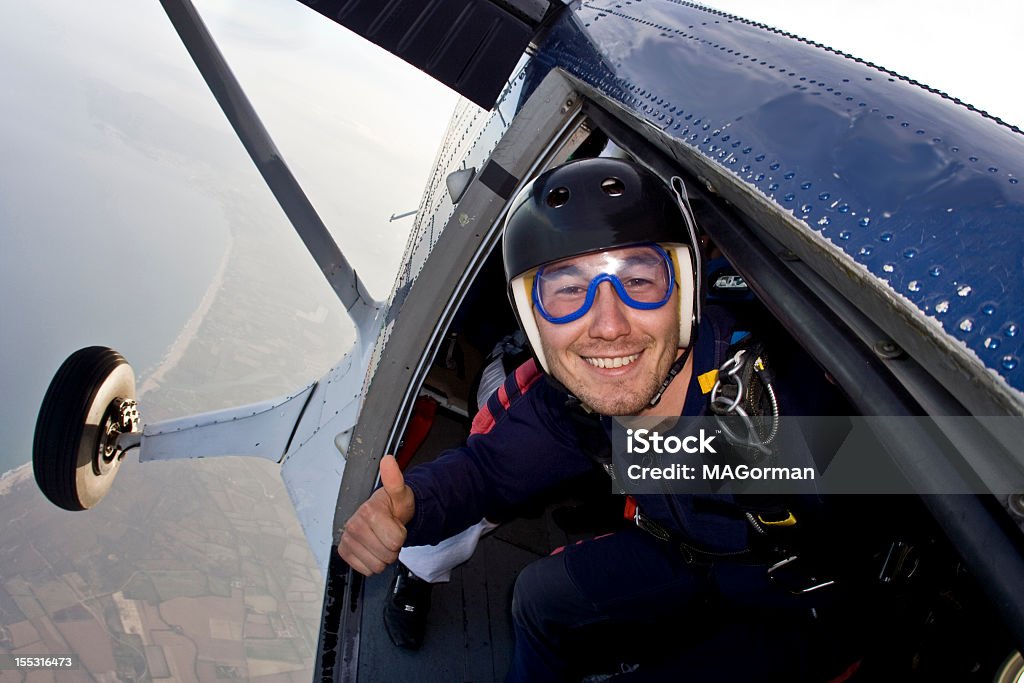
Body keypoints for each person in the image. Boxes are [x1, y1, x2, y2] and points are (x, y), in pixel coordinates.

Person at [338, 157, 862, 681]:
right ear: (531, 321)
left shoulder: (781, 406)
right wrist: (412, 506)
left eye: (638, 280)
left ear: (684, 291)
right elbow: (489, 471)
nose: (608, 326)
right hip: (684, 557)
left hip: (798, 602)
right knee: (539, 599)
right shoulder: (575, 398)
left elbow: (912, 508)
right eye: (567, 290)